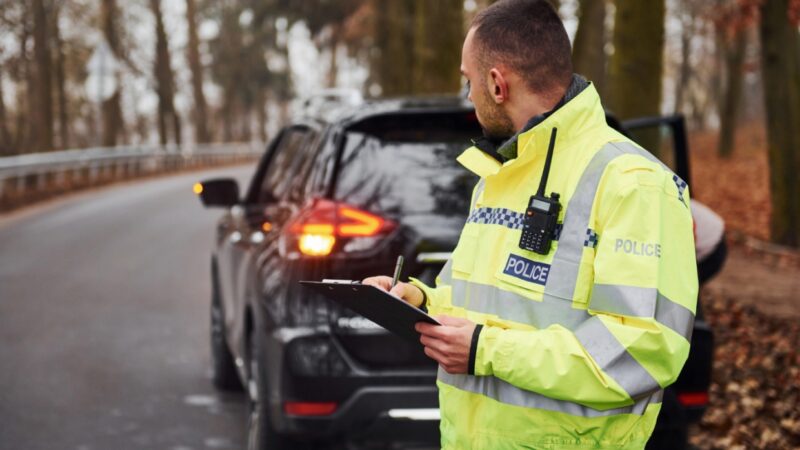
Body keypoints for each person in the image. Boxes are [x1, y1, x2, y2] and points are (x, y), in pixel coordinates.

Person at [364, 0, 698, 448]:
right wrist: (420, 300)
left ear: (497, 83)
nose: (469, 96)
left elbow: (641, 351)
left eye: (469, 81)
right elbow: (488, 307)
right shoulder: (500, 174)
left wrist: (487, 350)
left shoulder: (635, 184)